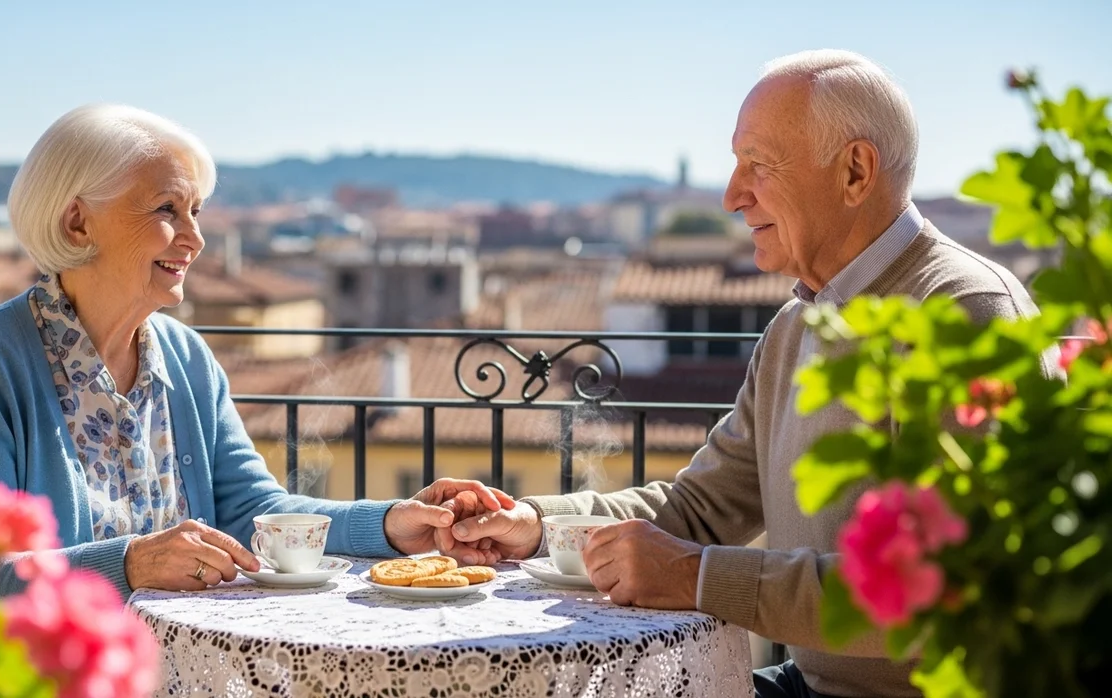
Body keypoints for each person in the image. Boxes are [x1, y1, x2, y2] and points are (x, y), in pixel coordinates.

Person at [441, 50, 1053, 698]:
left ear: (854, 171)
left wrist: (699, 580)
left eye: (758, 165)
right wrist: (536, 525)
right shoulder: (798, 326)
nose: (733, 196)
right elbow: (699, 510)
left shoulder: (970, 318)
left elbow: (953, 586)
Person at [0, 104, 512, 599]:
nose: (196, 239)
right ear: (78, 223)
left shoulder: (186, 357)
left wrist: (391, 524)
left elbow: (252, 510)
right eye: (166, 210)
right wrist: (126, 565)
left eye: (195, 211)